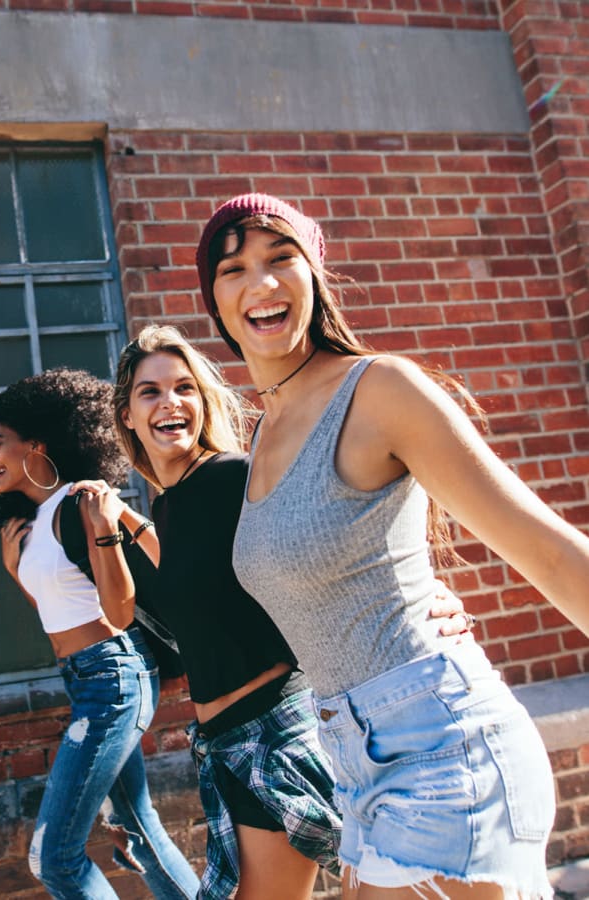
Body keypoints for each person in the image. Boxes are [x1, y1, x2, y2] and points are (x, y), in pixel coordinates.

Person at [195, 192, 589, 900]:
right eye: (233, 269)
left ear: (314, 274)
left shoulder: (377, 390)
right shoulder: (260, 437)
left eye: (281, 258)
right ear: (215, 302)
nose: (261, 283)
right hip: (354, 764)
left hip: (446, 748)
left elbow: (551, 553)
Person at [74, 324, 474, 900]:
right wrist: (111, 527)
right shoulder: (171, 506)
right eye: (149, 392)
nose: (170, 403)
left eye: (184, 387)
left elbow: (334, 539)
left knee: (409, 889)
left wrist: (430, 595)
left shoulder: (238, 477)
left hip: (285, 731)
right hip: (227, 747)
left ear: (203, 400)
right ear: (128, 415)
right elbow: (136, 603)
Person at [0, 367, 199, 900]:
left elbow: (140, 590)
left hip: (113, 676)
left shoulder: (81, 501)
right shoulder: (30, 524)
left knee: (53, 859)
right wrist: (15, 571)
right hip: (84, 679)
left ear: (37, 443)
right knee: (139, 832)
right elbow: (59, 610)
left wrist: (110, 530)